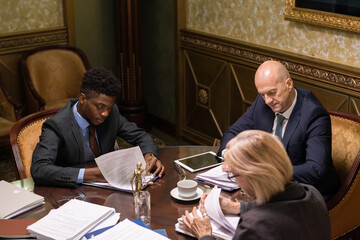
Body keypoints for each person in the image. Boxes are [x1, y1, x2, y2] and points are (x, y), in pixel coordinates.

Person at [217, 60, 339, 201]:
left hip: (307, 194)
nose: (268, 100)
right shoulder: (263, 101)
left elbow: (315, 169)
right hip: (267, 188)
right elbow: (233, 132)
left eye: (272, 93)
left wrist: (265, 173)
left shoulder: (314, 114)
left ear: (288, 84)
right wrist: (229, 156)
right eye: (262, 94)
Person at [182, 130, 331, 240]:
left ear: (252, 176)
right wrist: (237, 207)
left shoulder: (255, 226)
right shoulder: (313, 194)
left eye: (234, 175)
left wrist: (204, 235)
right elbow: (281, 205)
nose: (235, 181)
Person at [31, 67, 165, 187]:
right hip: (71, 195)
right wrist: (90, 175)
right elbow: (39, 169)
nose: (105, 113)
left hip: (109, 190)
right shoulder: (57, 125)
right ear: (83, 99)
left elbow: (141, 135)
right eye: (100, 107)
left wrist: (149, 155)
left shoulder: (112, 114)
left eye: (109, 108)